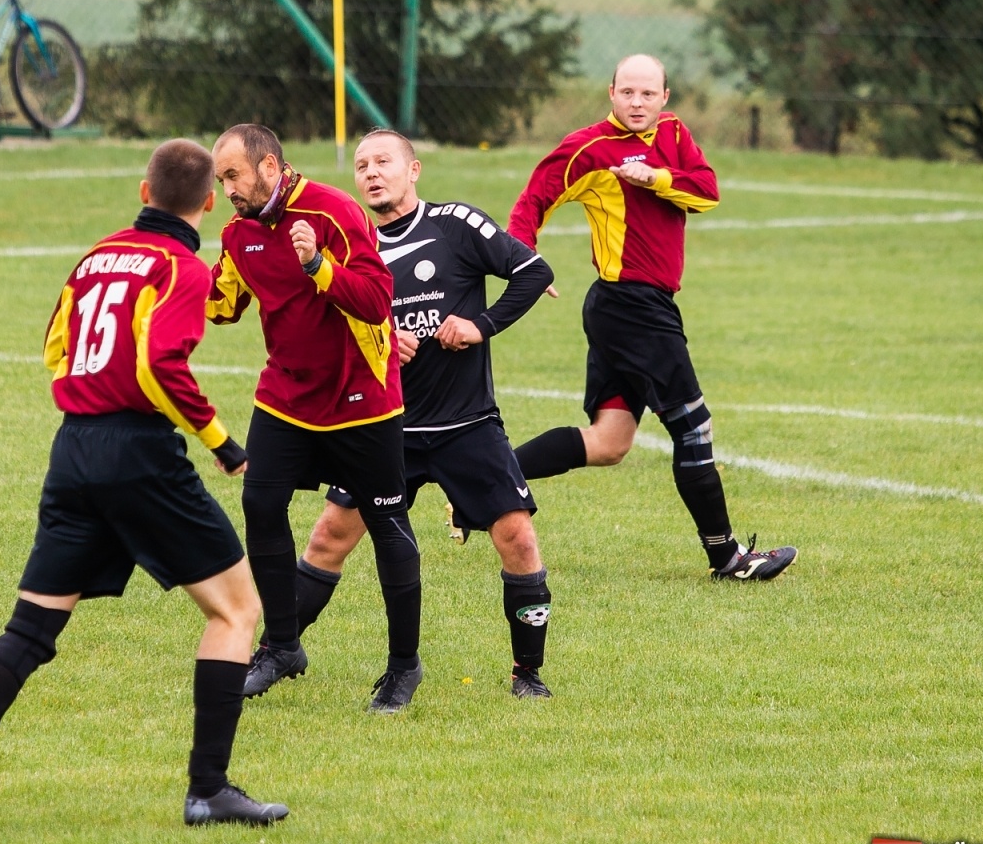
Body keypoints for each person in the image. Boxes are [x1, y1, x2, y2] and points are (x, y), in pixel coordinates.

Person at [0, 139, 288, 831]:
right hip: (139, 455)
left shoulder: (96, 256)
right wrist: (222, 444)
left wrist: (87, 404)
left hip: (75, 449)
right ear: (208, 202)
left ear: (143, 193)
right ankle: (208, 789)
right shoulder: (184, 269)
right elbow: (158, 366)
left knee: (30, 628)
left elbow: (56, 344)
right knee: (238, 611)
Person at [281, 128, 559, 698]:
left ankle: (527, 675)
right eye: (362, 166)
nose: (372, 173)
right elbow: (324, 329)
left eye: (384, 161)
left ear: (414, 170)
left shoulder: (456, 224)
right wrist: (378, 335)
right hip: (384, 426)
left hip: (467, 423)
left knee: (518, 539)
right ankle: (278, 650)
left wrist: (480, 325)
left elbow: (534, 273)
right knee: (329, 536)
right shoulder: (350, 248)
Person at [507, 54, 797, 581]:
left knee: (610, 441)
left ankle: (483, 483)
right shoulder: (589, 149)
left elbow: (707, 192)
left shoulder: (675, 134)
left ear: (665, 97)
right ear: (610, 93)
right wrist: (524, 261)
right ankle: (727, 558)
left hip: (641, 306)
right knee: (693, 426)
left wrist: (657, 177)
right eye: (627, 93)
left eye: (647, 94)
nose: (637, 103)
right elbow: (533, 201)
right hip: (628, 306)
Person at [206, 123, 425, 714]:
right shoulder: (238, 232)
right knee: (260, 503)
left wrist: (317, 266)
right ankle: (282, 647)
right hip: (286, 397)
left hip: (363, 398)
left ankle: (404, 667)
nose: (227, 189)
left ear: (270, 168)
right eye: (220, 179)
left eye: (234, 176)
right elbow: (221, 307)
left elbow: (378, 301)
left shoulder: (333, 212)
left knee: (387, 525)